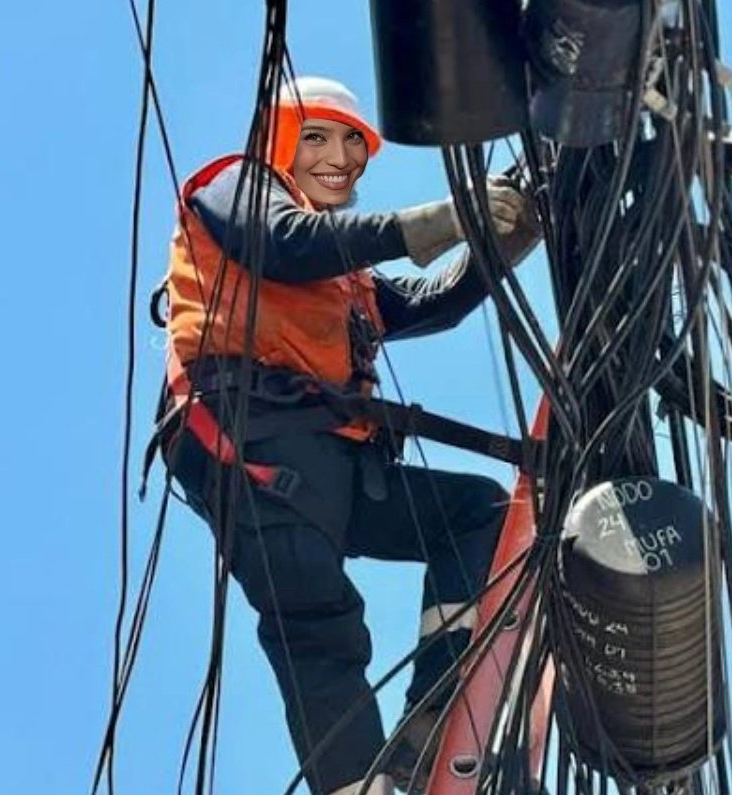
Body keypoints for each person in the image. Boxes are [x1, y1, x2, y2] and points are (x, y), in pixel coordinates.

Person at [162, 76, 540, 795]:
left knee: (480, 516)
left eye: (354, 147)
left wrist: (509, 231)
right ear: (276, 140)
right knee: (318, 624)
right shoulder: (233, 184)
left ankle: (431, 719)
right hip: (257, 447)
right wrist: (442, 219)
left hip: (338, 463)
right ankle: (355, 787)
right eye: (317, 137)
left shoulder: (349, 280)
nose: (340, 158)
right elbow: (283, 243)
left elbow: (437, 303)